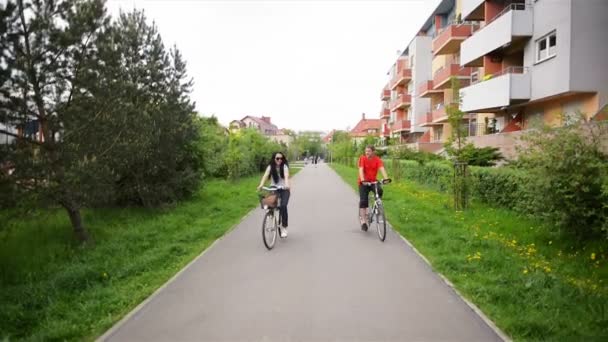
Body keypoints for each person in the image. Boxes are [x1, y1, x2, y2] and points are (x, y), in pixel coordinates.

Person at [257, 152, 291, 237]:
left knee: (283, 206)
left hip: (284, 189)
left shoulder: (284, 167)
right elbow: (265, 176)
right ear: (274, 159)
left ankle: (284, 227)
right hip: (274, 188)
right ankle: (270, 215)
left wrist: (286, 185)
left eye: (281, 158)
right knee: (270, 203)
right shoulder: (270, 167)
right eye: (277, 158)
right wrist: (261, 185)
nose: (279, 160)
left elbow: (286, 176)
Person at [358, 145, 389, 231]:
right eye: (366, 151)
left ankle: (377, 206)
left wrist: (386, 178)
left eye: (369, 151)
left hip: (373, 181)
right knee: (363, 201)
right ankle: (363, 221)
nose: (367, 152)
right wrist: (363, 180)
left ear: (373, 152)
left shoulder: (377, 159)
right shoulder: (362, 158)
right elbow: (361, 170)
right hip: (363, 182)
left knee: (379, 190)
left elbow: (382, 168)